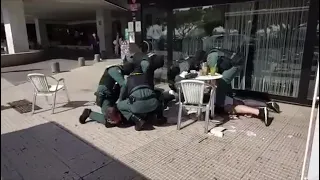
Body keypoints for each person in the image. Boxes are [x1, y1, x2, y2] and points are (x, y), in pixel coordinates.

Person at [166, 49, 279, 126]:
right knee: (235, 101)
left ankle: (260, 111)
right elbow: (213, 79)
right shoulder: (211, 57)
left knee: (228, 105)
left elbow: (213, 76)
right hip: (214, 92)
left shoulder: (181, 81)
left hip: (212, 98)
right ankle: (266, 105)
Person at [79, 62, 134, 127]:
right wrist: (121, 100)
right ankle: (89, 113)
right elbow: (123, 85)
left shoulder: (118, 71)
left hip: (112, 97)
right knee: (110, 121)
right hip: (105, 98)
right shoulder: (114, 70)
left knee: (120, 116)